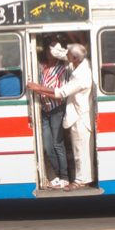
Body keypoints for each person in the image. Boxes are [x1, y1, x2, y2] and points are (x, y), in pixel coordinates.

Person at [27, 43, 93, 191]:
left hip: (80, 116)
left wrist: (38, 88)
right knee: (78, 150)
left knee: (80, 150)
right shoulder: (80, 64)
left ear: (75, 57)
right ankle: (82, 178)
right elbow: (60, 53)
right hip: (76, 114)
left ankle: (80, 180)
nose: (66, 55)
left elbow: (61, 93)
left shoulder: (81, 74)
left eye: (68, 54)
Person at [35, 39, 70, 189]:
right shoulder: (39, 66)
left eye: (52, 49)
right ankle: (56, 175)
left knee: (57, 144)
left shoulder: (61, 69)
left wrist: (38, 89)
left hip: (56, 109)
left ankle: (64, 176)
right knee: (47, 147)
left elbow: (61, 94)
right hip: (43, 109)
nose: (49, 51)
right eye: (48, 48)